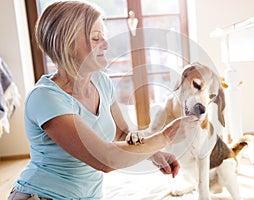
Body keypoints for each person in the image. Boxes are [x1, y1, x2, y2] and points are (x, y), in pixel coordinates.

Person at [8, 1, 197, 199]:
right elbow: (104, 159)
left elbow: (123, 132)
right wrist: (165, 137)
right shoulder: (45, 97)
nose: (106, 44)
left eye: (103, 36)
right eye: (96, 38)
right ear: (67, 43)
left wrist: (154, 155)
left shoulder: (101, 82)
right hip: (43, 194)